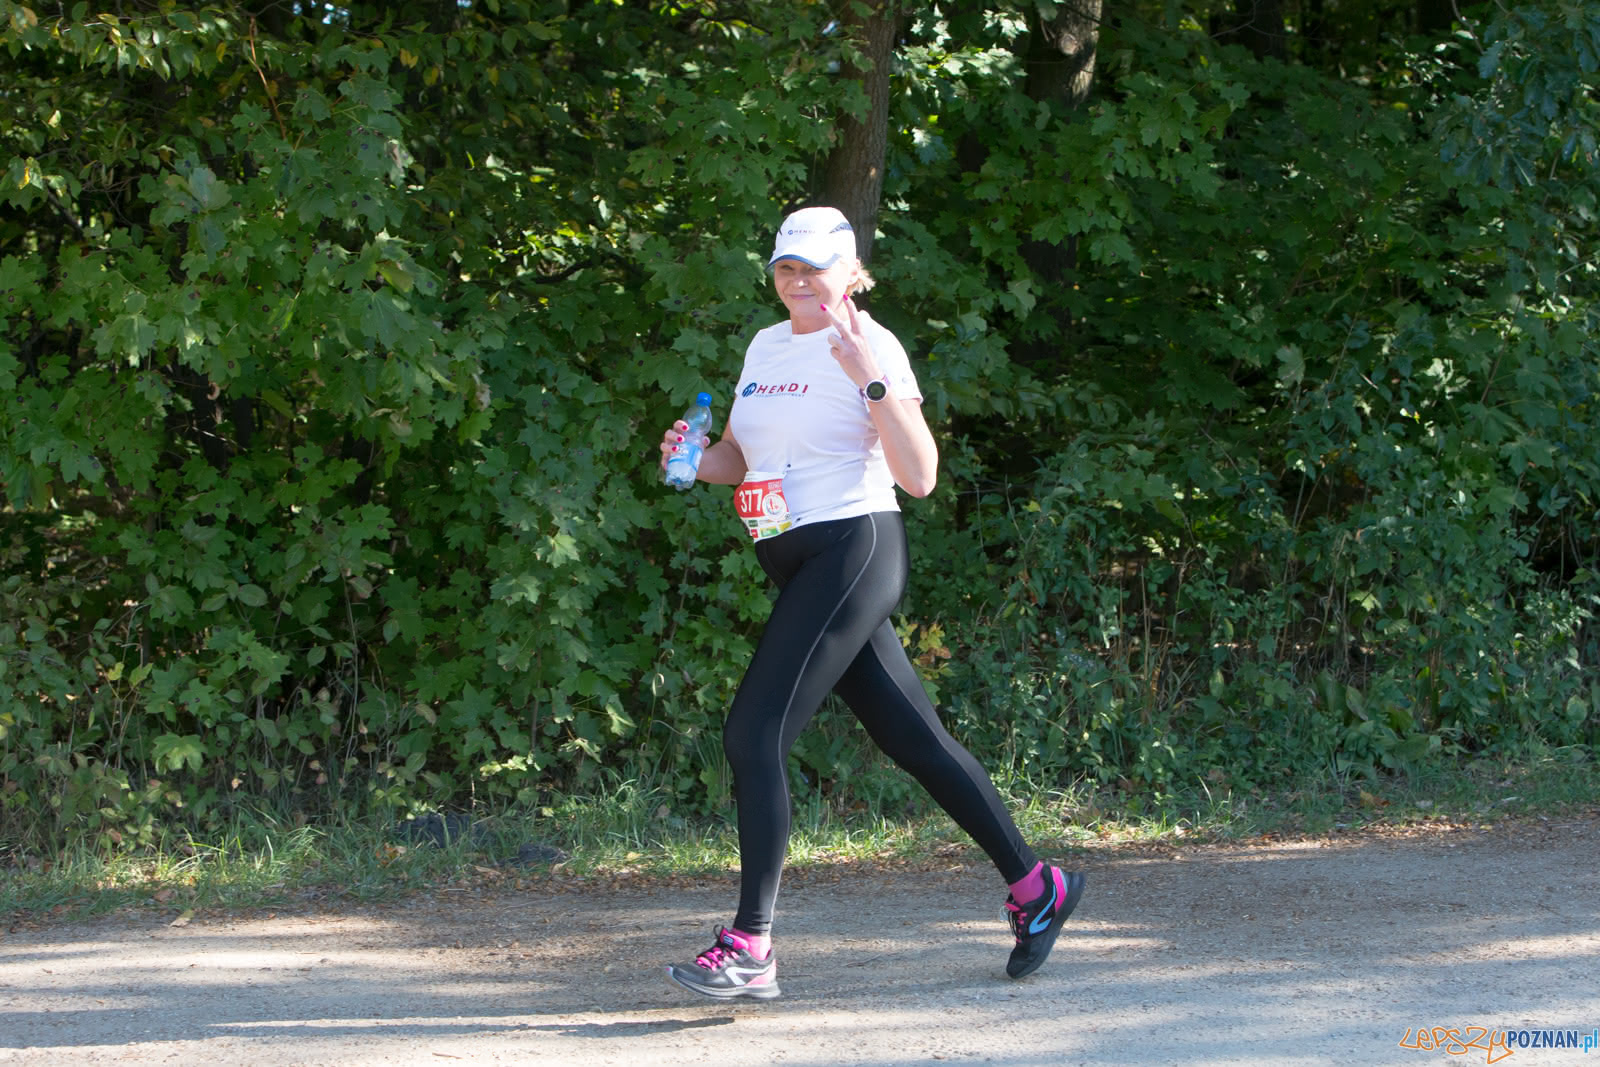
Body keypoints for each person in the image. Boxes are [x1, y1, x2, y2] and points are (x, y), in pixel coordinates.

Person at [656, 206, 1084, 1000]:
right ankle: (1038, 887)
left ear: (851, 273)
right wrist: (694, 457)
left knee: (753, 730)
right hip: (798, 559)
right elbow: (745, 458)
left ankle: (752, 943)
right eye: (785, 267)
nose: (797, 282)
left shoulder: (870, 344)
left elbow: (919, 475)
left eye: (813, 269)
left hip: (853, 549)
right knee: (914, 738)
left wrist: (871, 379)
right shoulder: (765, 345)